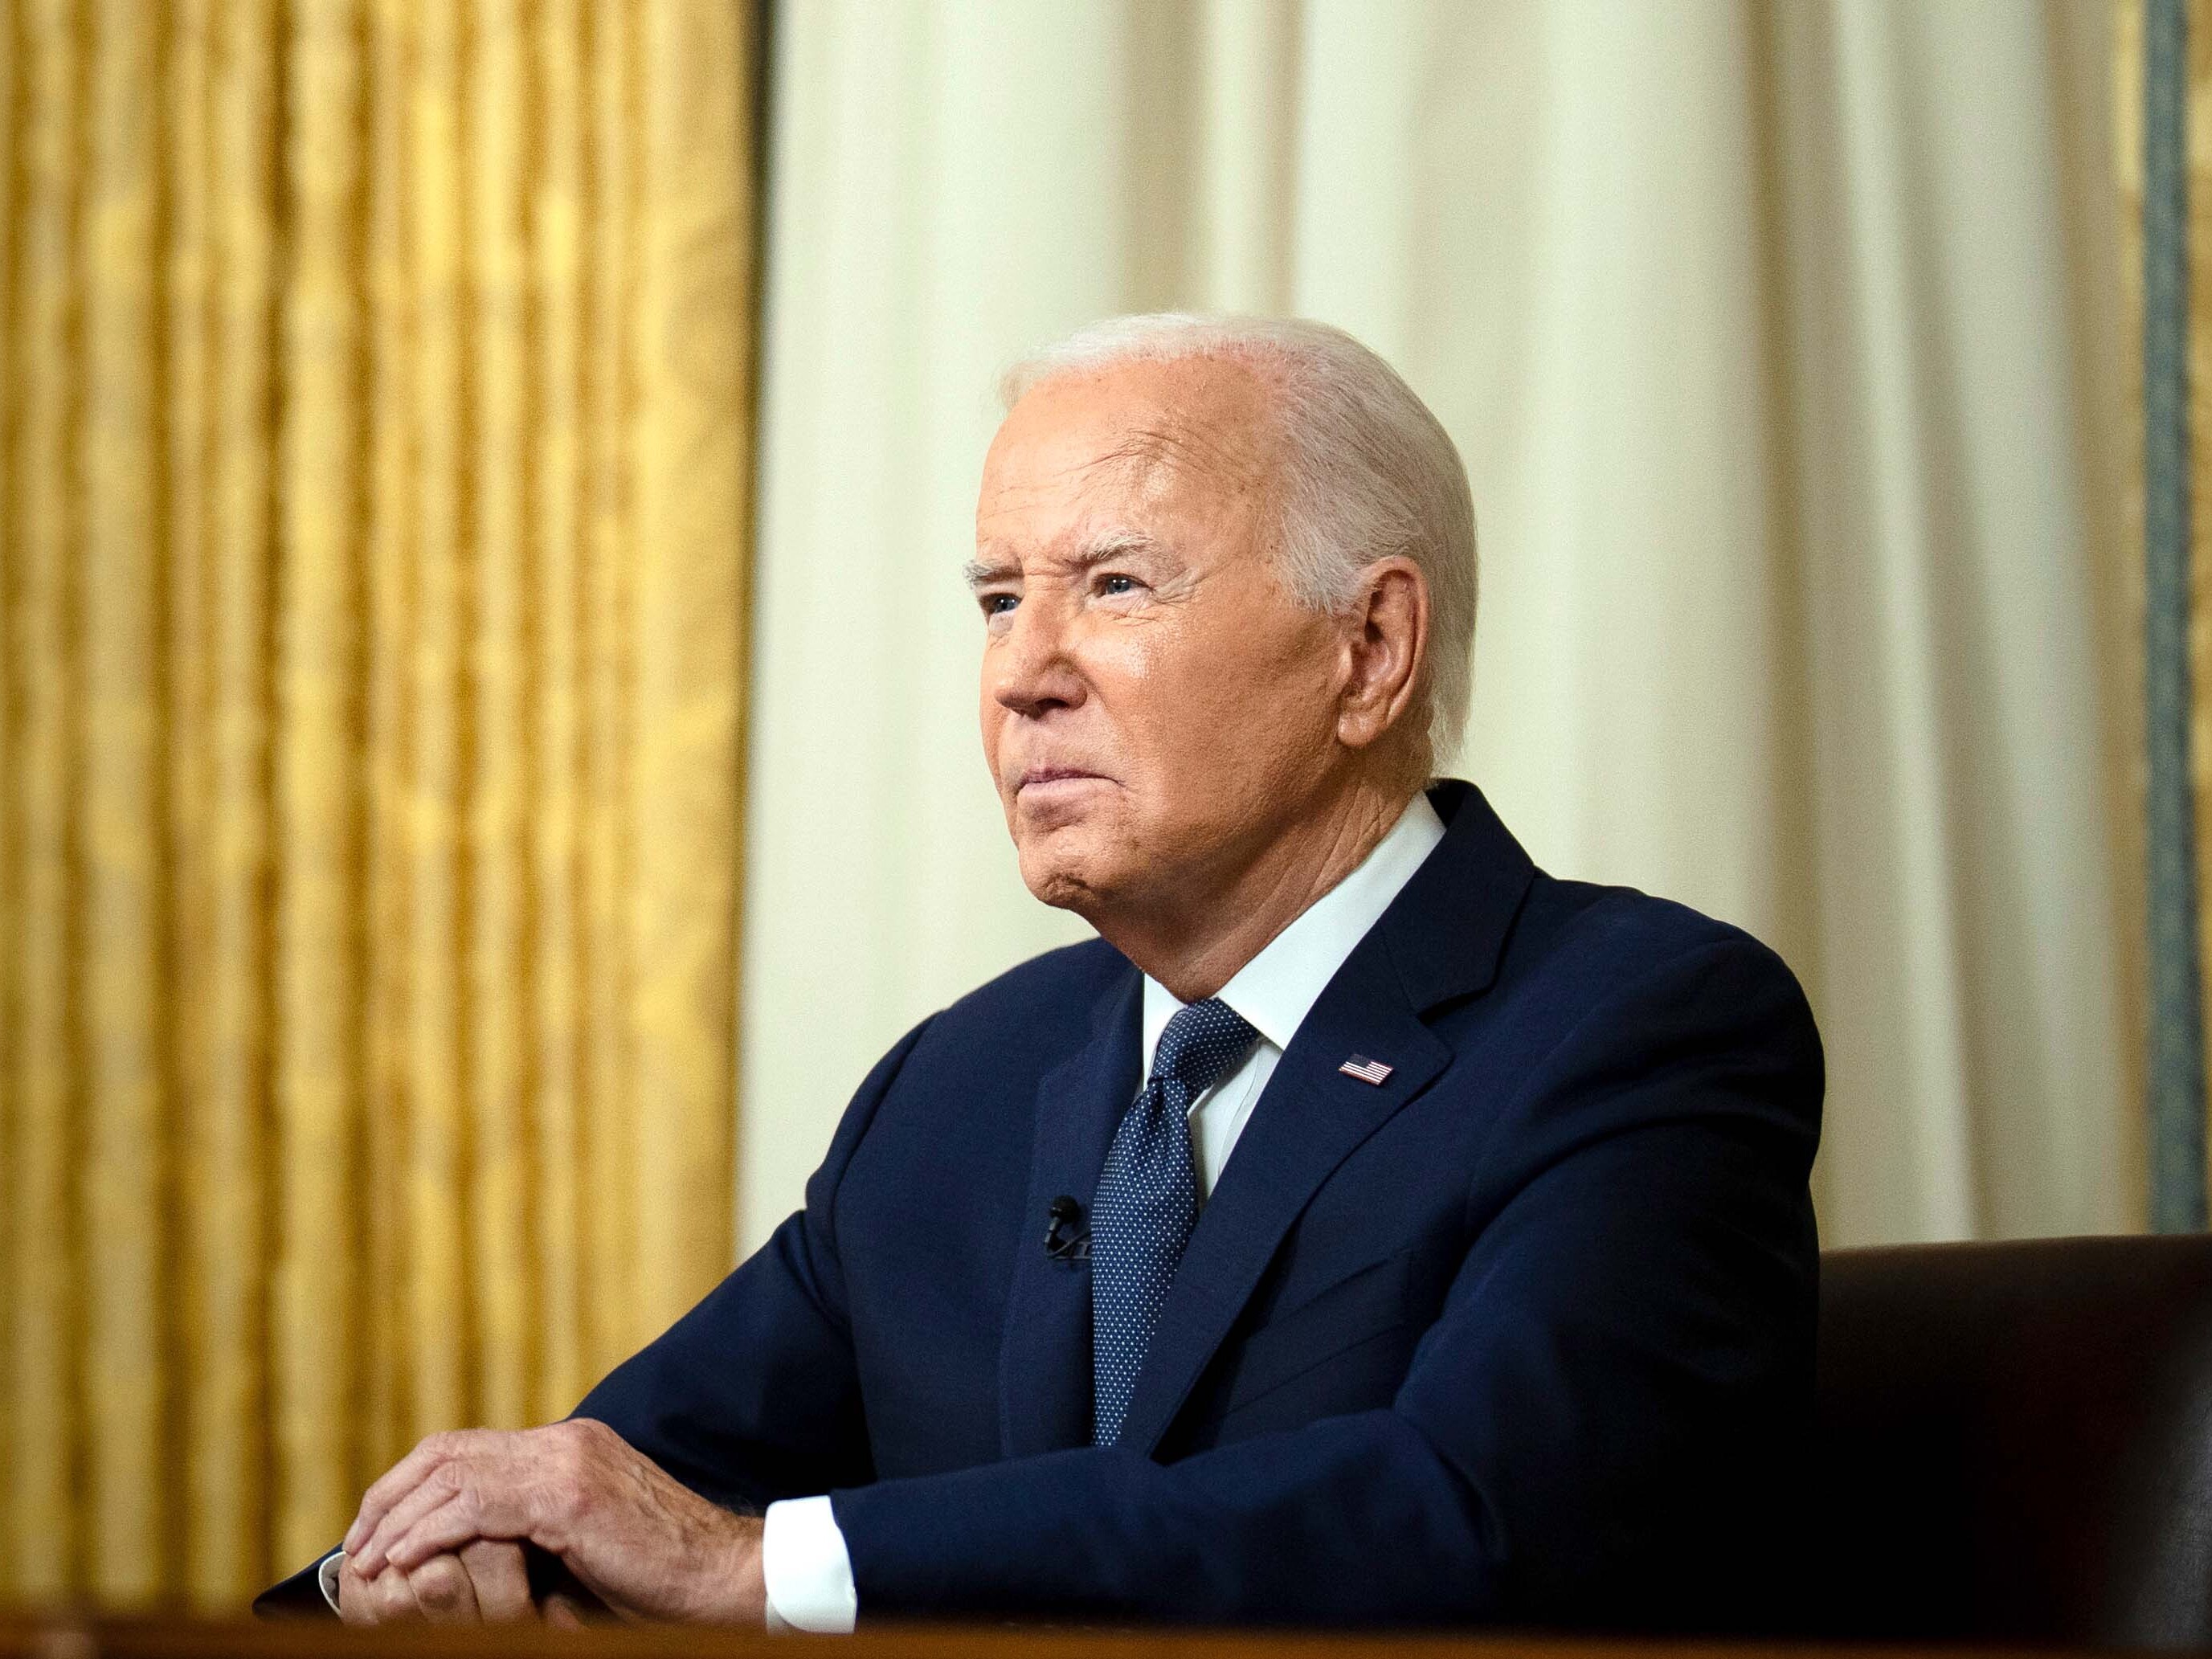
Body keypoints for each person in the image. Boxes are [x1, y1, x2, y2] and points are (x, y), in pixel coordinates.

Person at [260, 314, 1822, 1632]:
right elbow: (620, 1488)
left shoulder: (1639, 1030)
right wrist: (416, 1574)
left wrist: (768, 1566)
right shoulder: (964, 1087)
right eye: (1001, 598)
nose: (1021, 672)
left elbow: (1472, 1517)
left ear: (1370, 650)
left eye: (1114, 585)